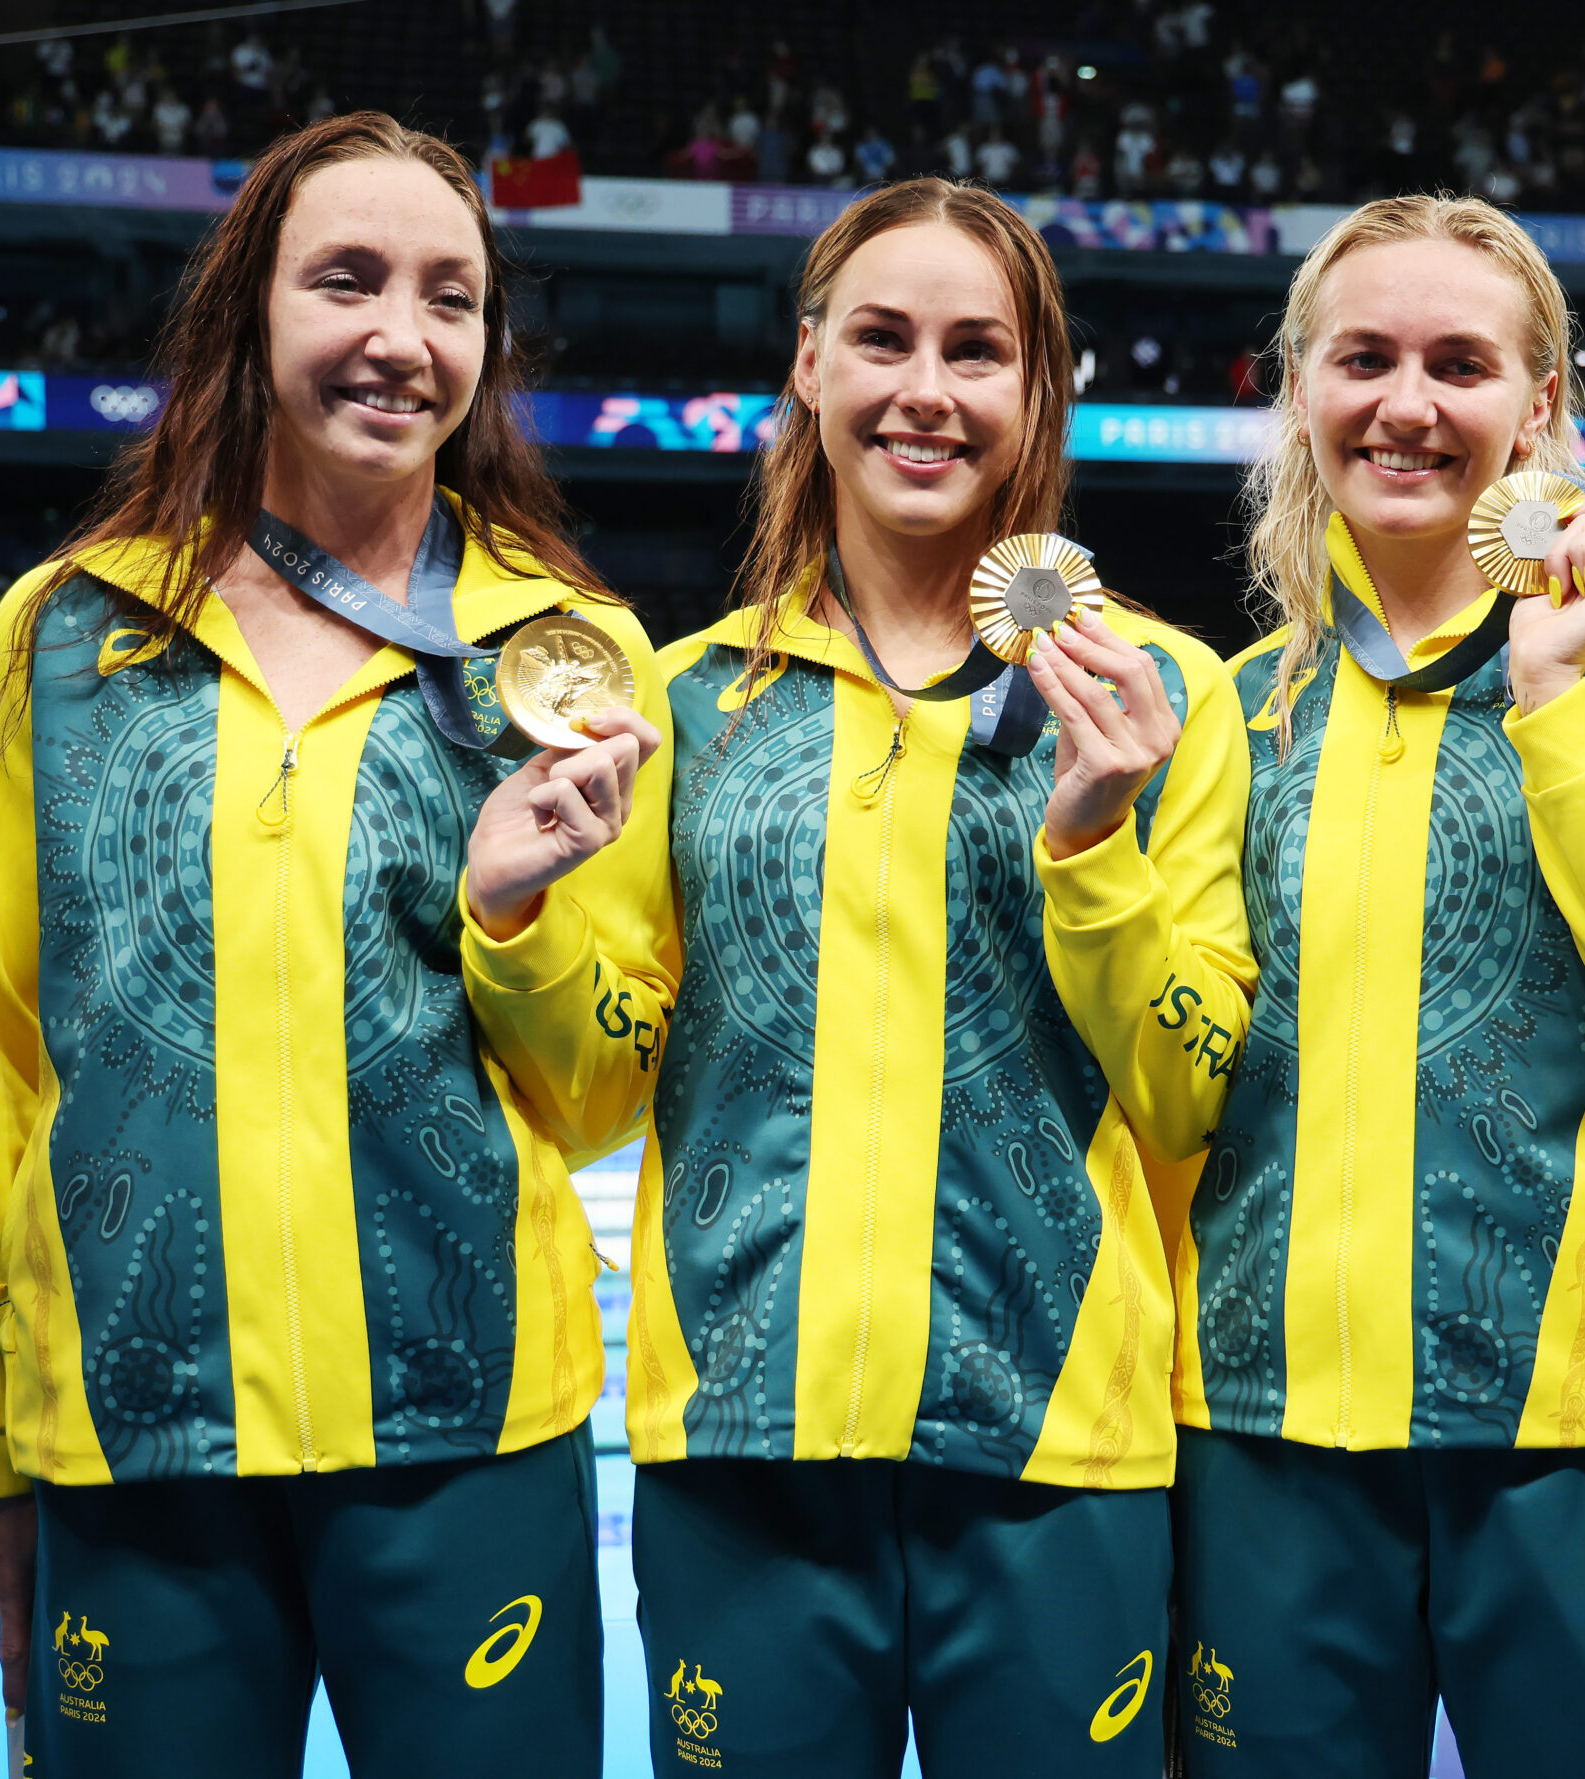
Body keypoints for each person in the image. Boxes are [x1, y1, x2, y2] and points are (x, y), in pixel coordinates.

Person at [459, 177, 1252, 1775]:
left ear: (1039, 396)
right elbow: (600, 1090)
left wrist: (1095, 846)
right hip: (748, 1443)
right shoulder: (686, 704)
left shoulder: (1165, 694)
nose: (927, 391)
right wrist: (517, 921)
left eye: (980, 351)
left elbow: (1195, 1089)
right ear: (809, 366)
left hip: (1058, 1453)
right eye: (882, 338)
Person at [0, 112, 655, 1778]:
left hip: (463, 1433)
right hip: (136, 1430)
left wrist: (513, 912)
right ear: (247, 312)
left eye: (450, 297)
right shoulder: (61, 638)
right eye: (348, 281)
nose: (402, 336)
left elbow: (609, 1089)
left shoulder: (566, 655)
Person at [1177, 194, 1585, 1776]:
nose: (1407, 405)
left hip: (1574, 1438)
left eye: (1460, 363)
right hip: (1268, 1421)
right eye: (1363, 358)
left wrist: (1559, 709)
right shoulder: (1243, 705)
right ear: (1301, 390)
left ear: (1542, 406)